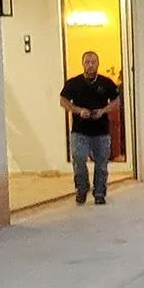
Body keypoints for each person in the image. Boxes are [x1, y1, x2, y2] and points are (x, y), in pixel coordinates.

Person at [59, 51, 121, 205]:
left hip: (101, 131)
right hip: (80, 131)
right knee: (78, 158)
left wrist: (103, 111)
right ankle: (81, 188)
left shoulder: (106, 83)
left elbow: (116, 101)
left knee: (101, 163)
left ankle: (99, 192)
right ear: (83, 63)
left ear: (98, 64)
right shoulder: (73, 83)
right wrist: (78, 110)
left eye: (93, 61)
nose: (90, 64)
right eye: (87, 61)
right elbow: (63, 100)